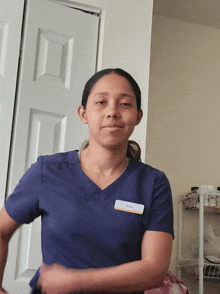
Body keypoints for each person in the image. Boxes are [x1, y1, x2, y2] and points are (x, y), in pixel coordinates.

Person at [0, 68, 174, 294]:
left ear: (138, 116)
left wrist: (75, 281)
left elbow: (154, 271)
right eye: (101, 102)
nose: (112, 112)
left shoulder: (153, 183)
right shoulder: (49, 171)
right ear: (83, 114)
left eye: (125, 104)